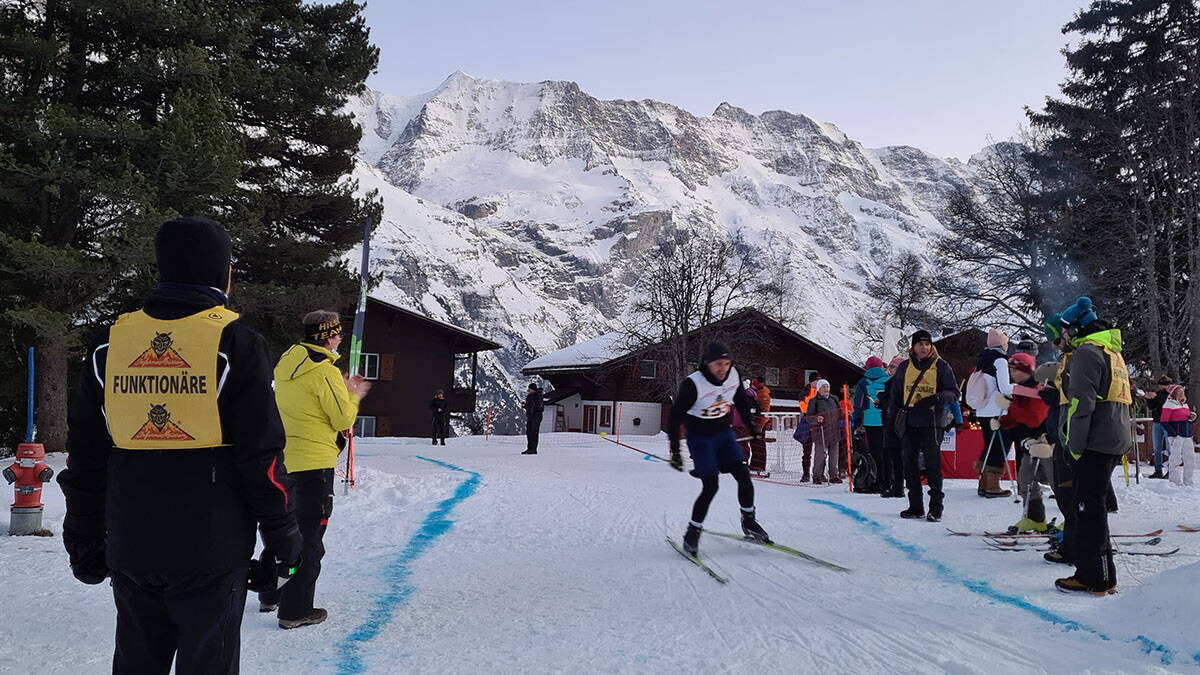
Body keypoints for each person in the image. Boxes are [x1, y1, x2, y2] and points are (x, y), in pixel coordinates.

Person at [58, 216, 302, 673]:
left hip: (132, 541)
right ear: (222, 273)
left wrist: (83, 536)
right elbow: (261, 456)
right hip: (211, 546)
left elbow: (86, 456)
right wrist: (282, 536)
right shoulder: (235, 342)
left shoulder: (109, 344)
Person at [260, 310, 370, 628]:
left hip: (285, 459)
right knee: (309, 537)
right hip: (314, 463)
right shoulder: (324, 372)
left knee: (285, 529)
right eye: (337, 335)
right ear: (328, 336)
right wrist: (352, 394)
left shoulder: (287, 363)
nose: (339, 340)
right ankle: (295, 610)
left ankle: (271, 593)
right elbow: (343, 420)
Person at [1055, 297, 1132, 595]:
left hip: (1095, 441)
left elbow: (1081, 404)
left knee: (1088, 509)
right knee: (1092, 505)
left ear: (1075, 329)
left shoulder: (1086, 353)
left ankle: (1095, 577)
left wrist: (1073, 446)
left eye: (1065, 331)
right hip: (1113, 437)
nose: (1063, 337)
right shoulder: (1111, 351)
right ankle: (1100, 573)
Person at [667, 342, 770, 556]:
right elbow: (675, 417)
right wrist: (675, 451)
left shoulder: (733, 375)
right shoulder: (693, 383)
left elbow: (741, 402)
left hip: (724, 434)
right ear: (707, 363)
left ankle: (749, 522)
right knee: (711, 486)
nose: (722, 368)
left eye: (726, 363)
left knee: (743, 474)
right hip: (700, 438)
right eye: (717, 364)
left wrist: (753, 427)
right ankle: (692, 532)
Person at [888, 330, 958, 522]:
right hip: (909, 421)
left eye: (927, 344)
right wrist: (891, 422)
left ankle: (936, 507)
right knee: (909, 465)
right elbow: (895, 396)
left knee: (933, 466)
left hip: (932, 422)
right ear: (913, 346)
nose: (924, 347)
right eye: (921, 344)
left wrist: (937, 398)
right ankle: (915, 505)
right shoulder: (904, 367)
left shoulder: (941, 366)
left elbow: (954, 392)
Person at [970, 328, 1014, 498]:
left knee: (989, 445)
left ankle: (983, 482)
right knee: (999, 447)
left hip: (982, 410)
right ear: (1002, 344)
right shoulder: (1000, 361)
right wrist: (1020, 389)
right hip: (998, 410)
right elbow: (1004, 388)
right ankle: (992, 486)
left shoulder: (982, 359)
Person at [852, 356, 889, 493]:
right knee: (887, 451)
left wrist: (857, 419)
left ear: (867, 367)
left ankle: (876, 480)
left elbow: (858, 403)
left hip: (870, 421)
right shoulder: (888, 380)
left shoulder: (863, 382)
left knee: (875, 451)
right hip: (886, 420)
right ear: (881, 366)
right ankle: (888, 481)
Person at [876, 356, 907, 498]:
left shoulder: (898, 382)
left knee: (896, 455)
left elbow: (893, 401)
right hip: (894, 421)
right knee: (894, 455)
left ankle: (897, 486)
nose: (889, 369)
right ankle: (896, 485)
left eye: (892, 367)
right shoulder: (897, 381)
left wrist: (882, 398)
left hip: (896, 423)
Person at [807, 379, 842, 484]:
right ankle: (817, 476)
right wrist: (816, 418)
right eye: (823, 387)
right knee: (820, 455)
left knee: (834, 455)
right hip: (820, 431)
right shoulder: (814, 401)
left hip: (834, 431)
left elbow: (839, 413)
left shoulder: (834, 399)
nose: (826, 389)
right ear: (818, 389)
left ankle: (833, 475)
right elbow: (809, 417)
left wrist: (845, 415)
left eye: (827, 387)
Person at [1161, 384, 1195, 487]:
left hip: (1187, 434)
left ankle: (1188, 482)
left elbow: (1186, 418)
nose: (1182, 394)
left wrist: (1192, 417)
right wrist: (1173, 433)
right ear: (1174, 393)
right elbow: (1164, 421)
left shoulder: (1185, 405)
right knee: (1175, 459)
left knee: (1190, 459)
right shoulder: (1169, 404)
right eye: (1179, 392)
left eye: (1183, 392)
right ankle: (1175, 482)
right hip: (1177, 436)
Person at [1142, 375, 1175, 479]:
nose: (1162, 387)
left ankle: (1171, 470)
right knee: (1157, 448)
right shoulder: (1158, 394)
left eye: (1165, 385)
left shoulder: (1172, 394)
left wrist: (1155, 396)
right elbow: (1152, 406)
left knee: (1170, 448)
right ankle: (1158, 470)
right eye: (1161, 385)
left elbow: (1164, 403)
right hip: (1157, 422)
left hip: (1168, 422)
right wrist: (1149, 399)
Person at [797, 371, 821, 482]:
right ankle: (805, 473)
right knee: (806, 451)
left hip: (820, 423)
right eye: (816, 380)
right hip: (807, 423)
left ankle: (820, 473)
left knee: (821, 450)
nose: (818, 383)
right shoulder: (804, 393)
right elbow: (803, 408)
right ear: (811, 381)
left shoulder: (821, 392)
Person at [522, 383, 544, 455]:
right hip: (530, 417)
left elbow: (540, 407)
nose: (528, 390)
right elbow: (529, 405)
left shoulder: (538, 396)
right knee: (529, 432)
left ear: (533, 389)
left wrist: (534, 411)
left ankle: (533, 449)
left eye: (530, 389)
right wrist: (525, 406)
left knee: (534, 432)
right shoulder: (529, 396)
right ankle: (529, 448)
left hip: (536, 416)